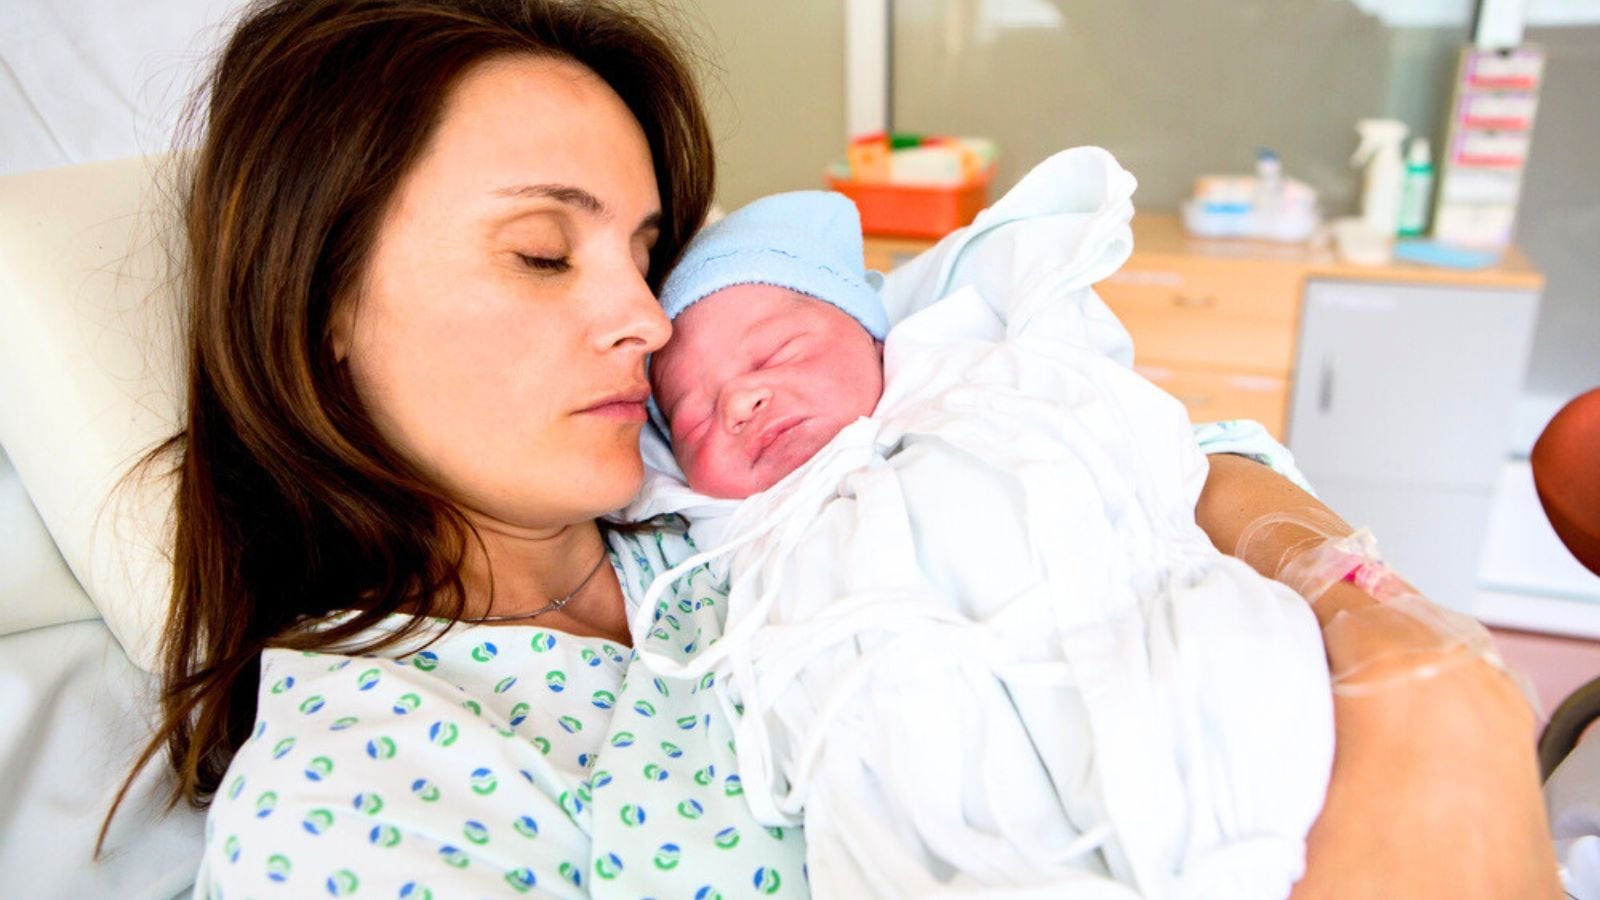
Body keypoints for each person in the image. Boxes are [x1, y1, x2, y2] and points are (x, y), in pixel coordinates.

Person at [104, 1, 1558, 897]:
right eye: (544, 253)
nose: (640, 322)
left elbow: (1148, 432)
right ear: (321, 309)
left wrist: (1423, 682)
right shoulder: (368, 792)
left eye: (646, 252)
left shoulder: (712, 482)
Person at [639, 171, 1336, 896]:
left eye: (779, 353)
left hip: (1134, 670)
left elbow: (1158, 455)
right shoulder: (728, 547)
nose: (741, 400)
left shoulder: (985, 388)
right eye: (692, 416)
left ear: (873, 338)